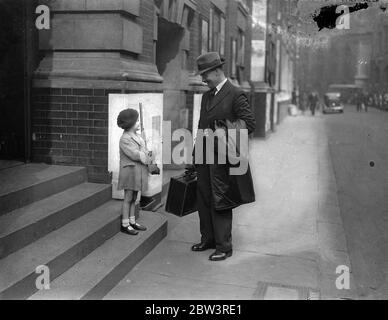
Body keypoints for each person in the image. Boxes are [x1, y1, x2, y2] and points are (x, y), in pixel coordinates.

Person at [188, 52, 256, 261]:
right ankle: (207, 239)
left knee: (221, 201)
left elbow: (249, 124)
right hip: (204, 157)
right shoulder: (207, 95)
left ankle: (224, 247)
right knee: (204, 199)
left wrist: (222, 132)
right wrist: (195, 156)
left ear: (217, 71)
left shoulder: (236, 93)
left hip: (224, 159)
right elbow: (201, 126)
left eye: (205, 75)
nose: (203, 79)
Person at [117, 108, 151, 235]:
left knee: (135, 197)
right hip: (130, 172)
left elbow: (144, 151)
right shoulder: (125, 139)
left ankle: (132, 221)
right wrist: (147, 155)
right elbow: (135, 155)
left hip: (137, 171)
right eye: (137, 121)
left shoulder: (137, 136)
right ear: (129, 123)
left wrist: (147, 149)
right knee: (128, 197)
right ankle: (125, 224)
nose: (139, 123)